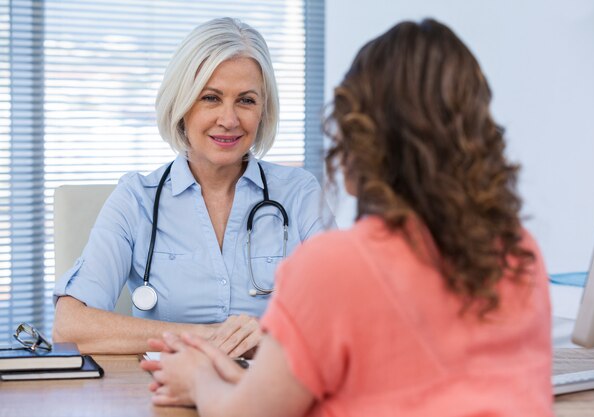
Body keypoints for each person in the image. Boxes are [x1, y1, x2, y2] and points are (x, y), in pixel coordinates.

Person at [142, 18, 553, 416]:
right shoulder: (518, 252)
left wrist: (198, 378)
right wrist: (241, 377)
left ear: (361, 136)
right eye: (210, 97)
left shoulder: (333, 266)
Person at [52, 17, 334, 355]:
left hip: (275, 394)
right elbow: (70, 326)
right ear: (182, 104)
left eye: (246, 100)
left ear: (263, 110)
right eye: (211, 98)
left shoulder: (299, 194)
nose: (229, 120)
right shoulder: (135, 200)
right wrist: (211, 337)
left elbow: (353, 313)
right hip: (166, 392)